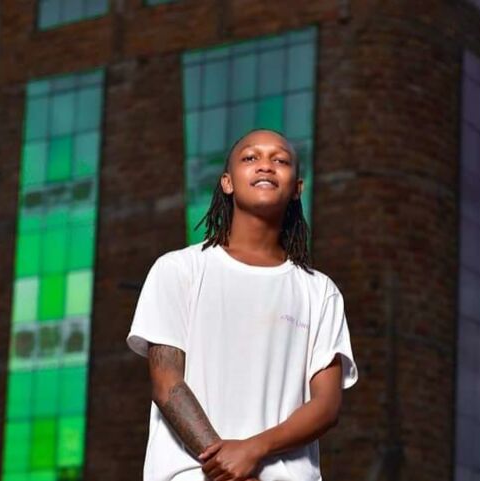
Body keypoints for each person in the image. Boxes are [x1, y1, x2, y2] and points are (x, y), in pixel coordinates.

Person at [126, 128, 359, 481]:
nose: (265, 165)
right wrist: (230, 469)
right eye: (250, 157)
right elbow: (167, 382)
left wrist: (254, 449)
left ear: (297, 188)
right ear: (227, 182)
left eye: (280, 160)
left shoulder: (319, 292)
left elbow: (326, 406)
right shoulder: (178, 269)